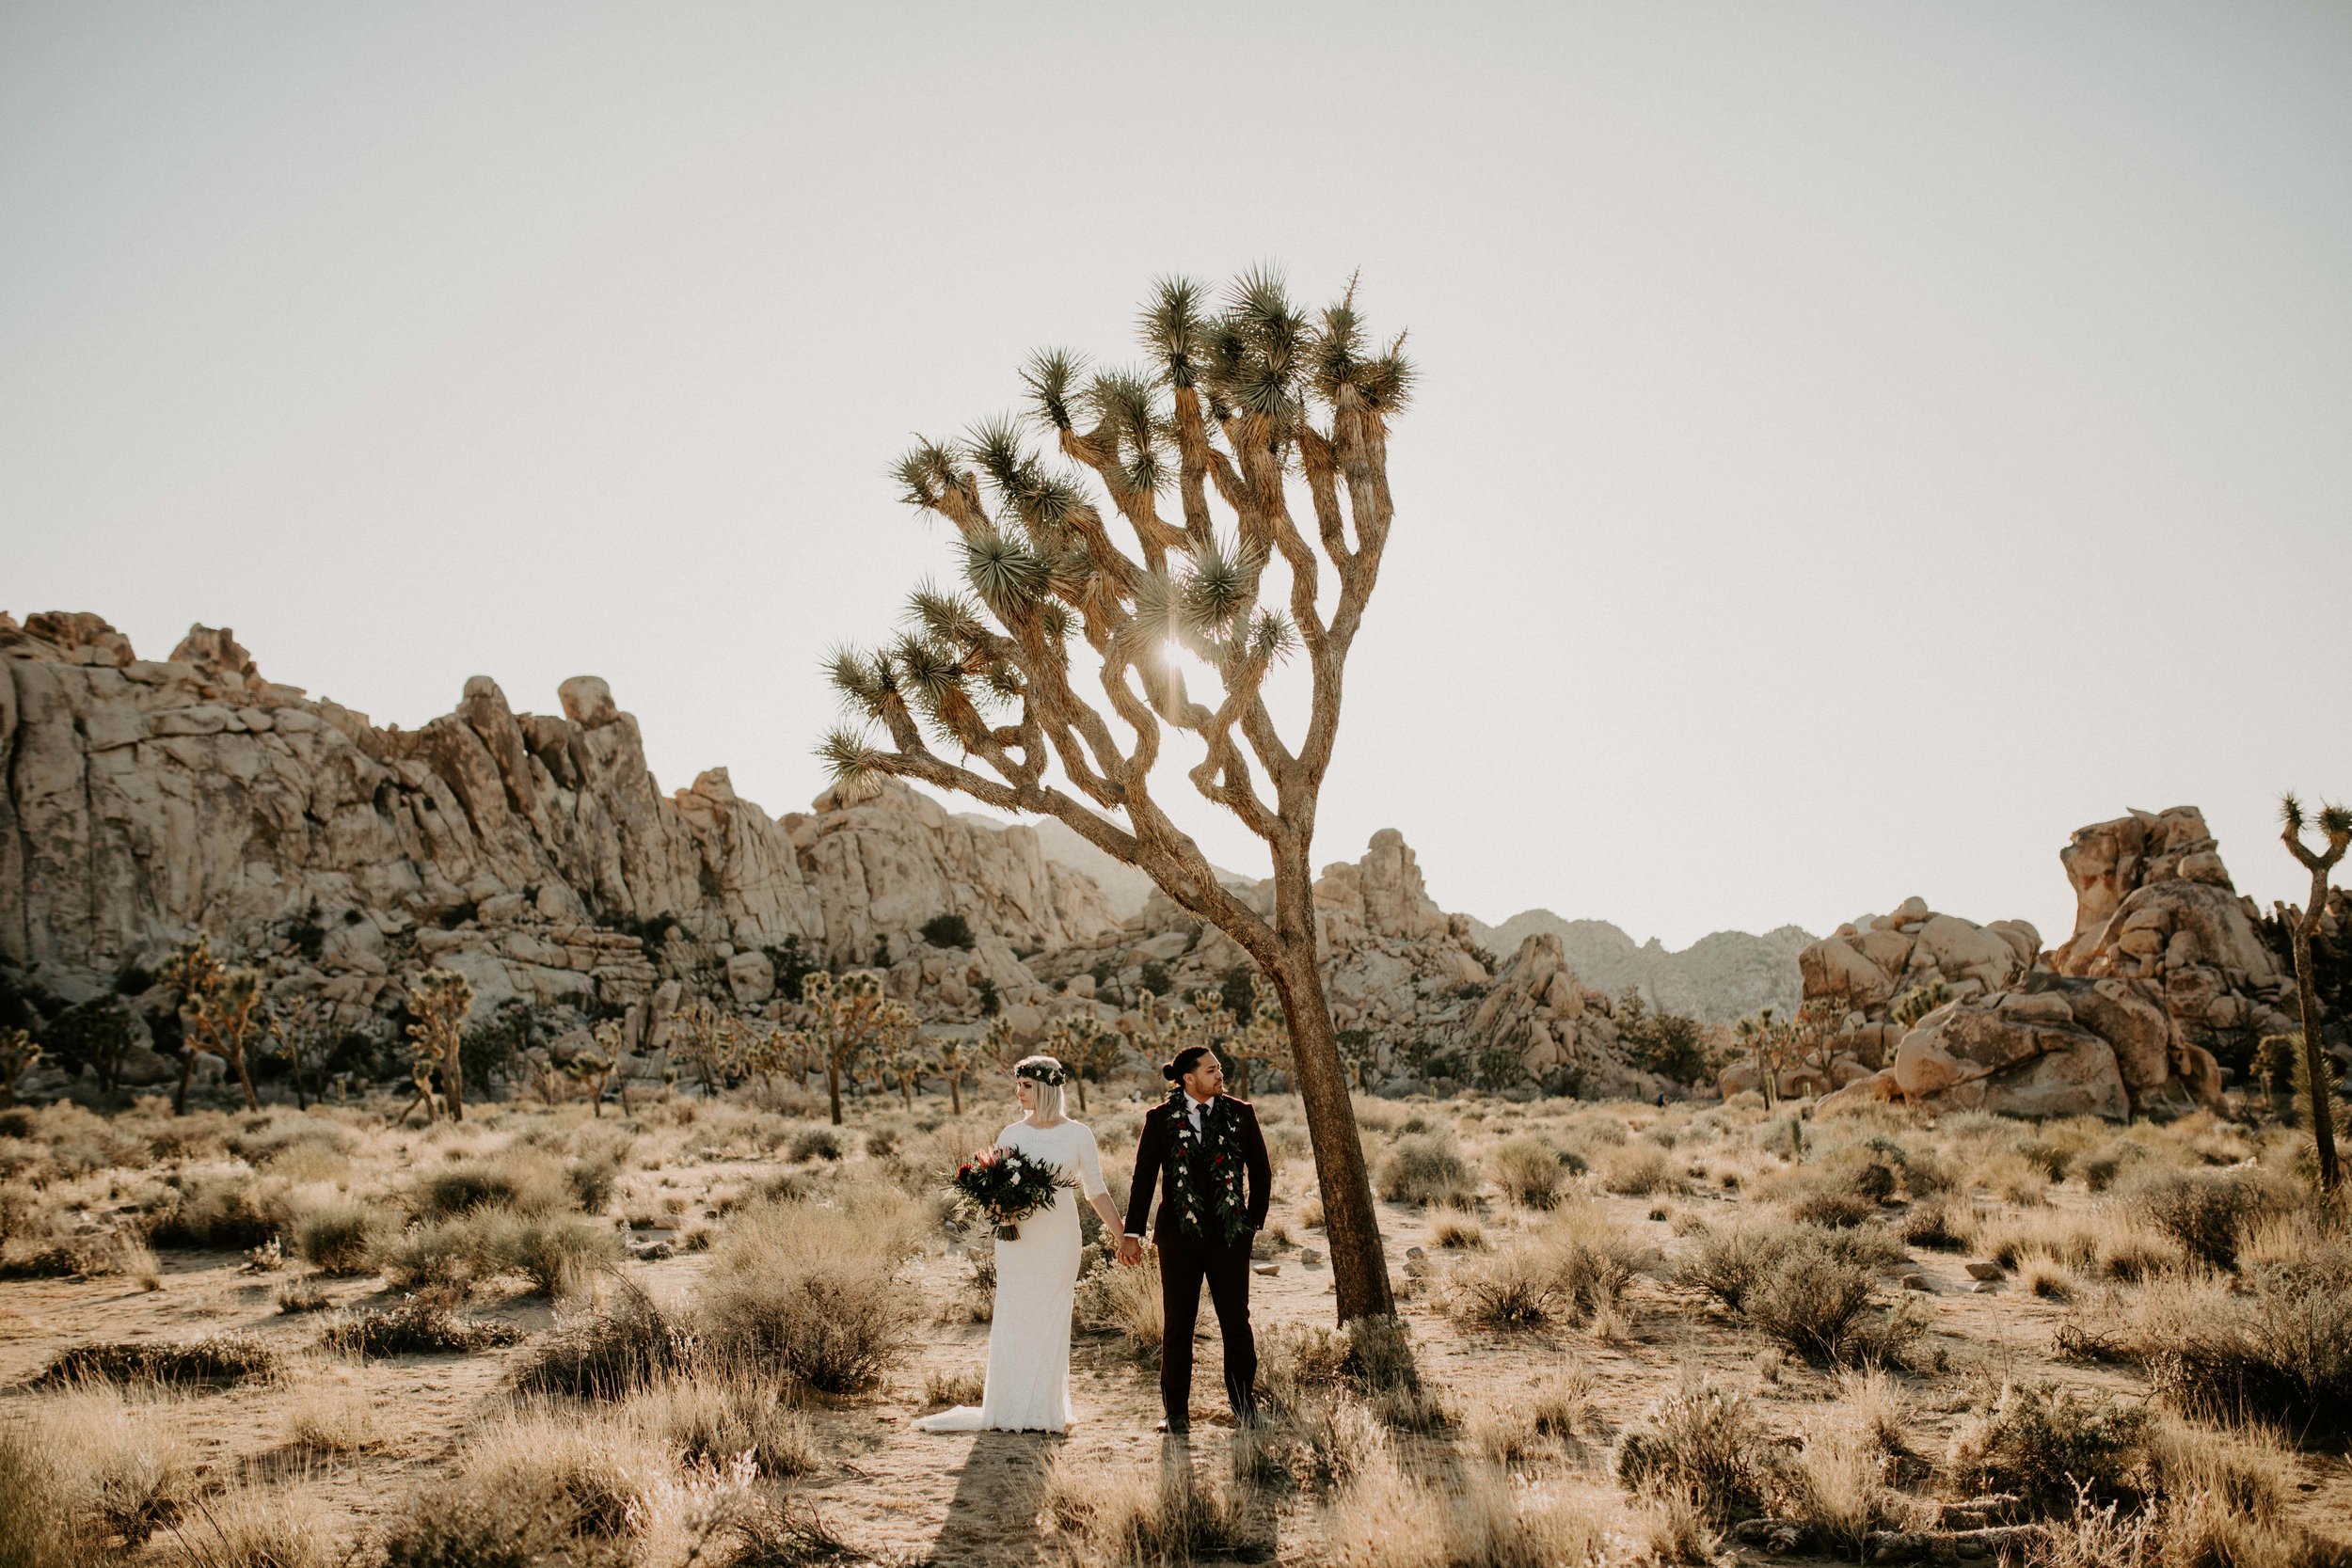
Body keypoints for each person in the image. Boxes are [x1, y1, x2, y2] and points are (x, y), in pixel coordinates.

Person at [914, 1054, 1122, 1434]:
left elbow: (1096, 1190)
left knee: (1052, 1315)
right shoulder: (1011, 1134)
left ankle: (1045, 1410)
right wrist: (1000, 1209)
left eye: (1026, 1086)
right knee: (1015, 1313)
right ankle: (1009, 1407)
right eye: (1019, 1085)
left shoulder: (1079, 1135)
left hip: (1059, 1237)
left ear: (1046, 1087)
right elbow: (994, 1185)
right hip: (1017, 1238)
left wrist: (1122, 1234)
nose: (1019, 1092)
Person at [1117, 1044, 1273, 1435]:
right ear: (1188, 1078)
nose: (1220, 1075)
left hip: (1230, 1238)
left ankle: (1244, 1406)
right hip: (1179, 1239)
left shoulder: (1241, 1113)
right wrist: (1131, 1234)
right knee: (1178, 1324)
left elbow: (1262, 1171)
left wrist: (1251, 1223)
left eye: (1219, 1068)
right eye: (1210, 1070)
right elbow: (1143, 1179)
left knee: (1236, 1322)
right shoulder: (1160, 1118)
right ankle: (1175, 1413)